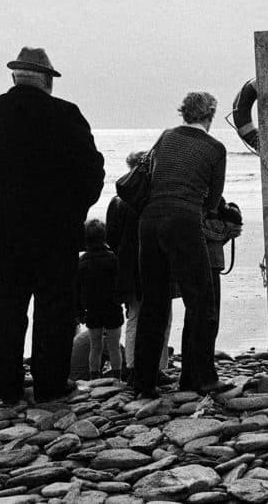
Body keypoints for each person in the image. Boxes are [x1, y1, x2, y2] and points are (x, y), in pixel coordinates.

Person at [0, 48, 105, 404]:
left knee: (4, 308)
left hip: (0, 234)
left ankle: (4, 385)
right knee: (54, 310)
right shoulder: (66, 115)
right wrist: (74, 211)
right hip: (55, 234)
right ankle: (49, 384)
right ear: (47, 81)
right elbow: (92, 173)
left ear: (15, 77)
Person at [133, 92, 226, 397]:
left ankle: (143, 381)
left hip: (149, 219)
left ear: (184, 112)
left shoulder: (166, 137)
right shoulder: (214, 148)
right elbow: (212, 201)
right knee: (200, 301)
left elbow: (150, 172)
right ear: (210, 114)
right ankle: (198, 377)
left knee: (153, 302)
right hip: (184, 219)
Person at [107, 151, 173, 384]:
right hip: (154, 262)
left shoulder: (118, 200)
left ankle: (134, 365)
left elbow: (111, 237)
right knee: (161, 316)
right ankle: (157, 365)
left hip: (128, 267)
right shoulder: (153, 197)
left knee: (136, 314)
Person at [76, 219, 123, 379]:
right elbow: (120, 284)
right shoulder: (113, 259)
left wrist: (79, 310)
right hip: (112, 307)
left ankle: (94, 377)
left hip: (92, 309)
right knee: (114, 346)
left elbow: (77, 289)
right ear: (105, 237)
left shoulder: (82, 262)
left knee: (95, 347)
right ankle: (118, 377)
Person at [201, 198, 243, 353]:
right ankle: (205, 358)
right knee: (210, 315)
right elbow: (233, 229)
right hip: (212, 263)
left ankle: (201, 359)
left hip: (200, 262)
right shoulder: (215, 198)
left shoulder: (195, 195)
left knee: (201, 315)